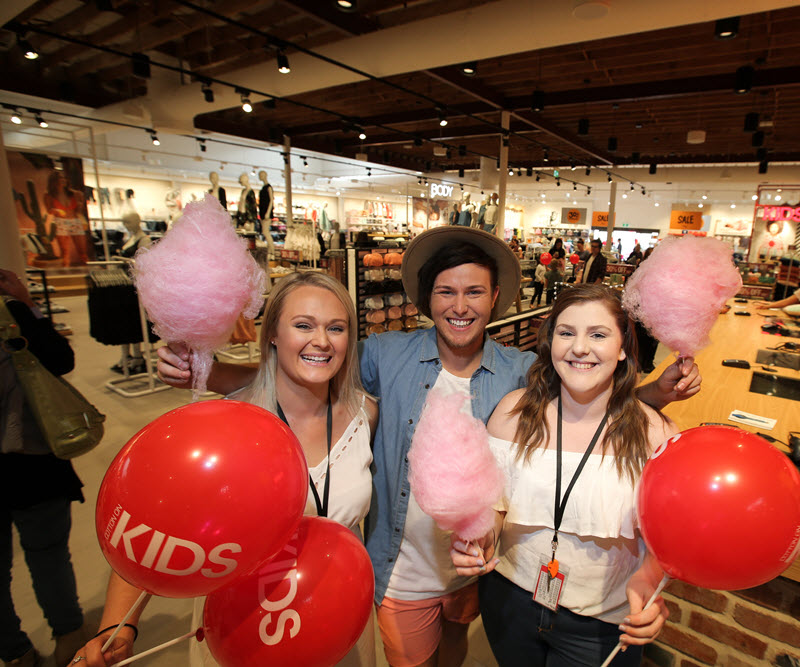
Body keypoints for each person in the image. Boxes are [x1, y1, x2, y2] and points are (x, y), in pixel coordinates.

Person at [155, 226, 701, 667]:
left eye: (474, 292)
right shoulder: (384, 354)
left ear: (495, 300)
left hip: (487, 568)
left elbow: (585, 400)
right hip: (402, 566)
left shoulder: (519, 372)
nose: (459, 306)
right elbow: (307, 371)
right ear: (426, 300)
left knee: (456, 645)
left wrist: (654, 392)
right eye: (445, 291)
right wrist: (205, 370)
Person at [71, 271, 379, 667]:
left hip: (338, 618)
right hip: (238, 630)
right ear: (272, 334)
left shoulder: (364, 414)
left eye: (336, 328)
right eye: (303, 325)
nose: (321, 341)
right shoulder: (224, 424)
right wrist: (116, 628)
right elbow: (158, 530)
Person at [451, 285, 674, 666]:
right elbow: (498, 507)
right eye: (566, 332)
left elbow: (667, 540)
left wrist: (650, 582)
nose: (580, 348)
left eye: (598, 335)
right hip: (509, 600)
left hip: (603, 619)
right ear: (550, 340)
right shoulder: (511, 415)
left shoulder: (656, 435)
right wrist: (480, 538)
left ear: (622, 348)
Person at [1, 268, 87, 667]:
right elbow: (60, 358)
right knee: (49, 555)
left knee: (47, 553)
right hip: (31, 460)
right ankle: (69, 637)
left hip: (31, 462)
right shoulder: (11, 313)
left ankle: (15, 651)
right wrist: (28, 306)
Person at [44, 171, 90, 267]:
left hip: (75, 221)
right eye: (60, 178)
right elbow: (49, 210)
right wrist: (56, 211)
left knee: (83, 251)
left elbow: (80, 210)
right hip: (60, 222)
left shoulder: (75, 194)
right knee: (65, 252)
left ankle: (87, 271)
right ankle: (66, 272)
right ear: (54, 181)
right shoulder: (49, 195)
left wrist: (80, 206)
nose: (63, 180)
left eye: (64, 178)